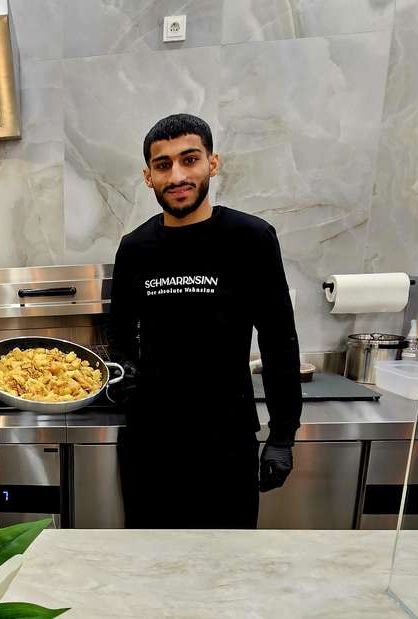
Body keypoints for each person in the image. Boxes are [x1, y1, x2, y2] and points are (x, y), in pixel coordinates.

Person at [110, 113, 301, 528]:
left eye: (189, 159)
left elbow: (279, 341)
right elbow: (120, 335)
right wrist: (125, 378)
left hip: (225, 440)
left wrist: (283, 435)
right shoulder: (135, 248)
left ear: (212, 163)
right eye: (163, 165)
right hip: (151, 444)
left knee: (225, 570)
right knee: (147, 564)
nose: (177, 175)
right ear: (148, 176)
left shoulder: (251, 239)